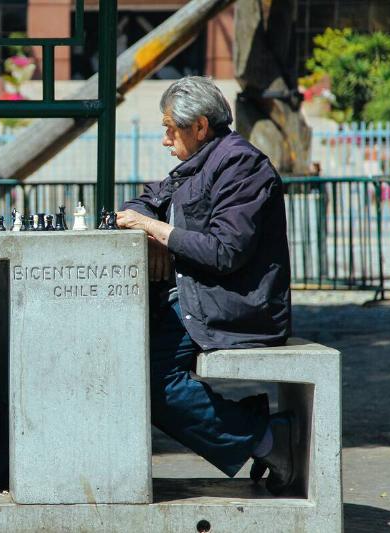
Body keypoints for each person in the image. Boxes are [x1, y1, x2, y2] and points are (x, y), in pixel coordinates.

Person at [116, 76, 295, 495]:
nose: (164, 140)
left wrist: (158, 230)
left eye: (169, 129)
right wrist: (153, 231)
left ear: (198, 126)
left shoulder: (241, 166)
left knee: (148, 381)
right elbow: (141, 202)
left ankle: (268, 439)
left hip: (236, 305)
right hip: (196, 298)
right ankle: (265, 435)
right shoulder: (199, 162)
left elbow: (224, 252)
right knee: (125, 360)